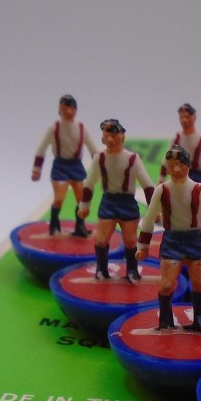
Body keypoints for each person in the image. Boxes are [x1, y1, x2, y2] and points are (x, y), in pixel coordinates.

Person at [137, 145, 201, 331]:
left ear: (188, 166)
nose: (176, 169)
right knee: (166, 285)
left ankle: (200, 318)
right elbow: (149, 218)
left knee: (198, 283)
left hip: (195, 240)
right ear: (167, 168)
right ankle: (165, 320)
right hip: (171, 241)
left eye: (180, 165)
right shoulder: (161, 190)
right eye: (171, 166)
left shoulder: (199, 189)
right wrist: (142, 246)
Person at [79, 119, 155, 283]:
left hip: (127, 203)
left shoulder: (132, 158)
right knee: (101, 239)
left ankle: (132, 270)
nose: (110, 139)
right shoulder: (99, 158)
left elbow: (148, 185)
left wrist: (154, 210)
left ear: (122, 136)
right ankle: (101, 269)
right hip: (108, 202)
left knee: (130, 240)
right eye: (106, 135)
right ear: (102, 138)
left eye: (114, 135)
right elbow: (89, 183)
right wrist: (84, 205)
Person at [31, 94, 100, 236]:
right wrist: (36, 170)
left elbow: (94, 150)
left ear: (76, 110)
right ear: (59, 110)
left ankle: (80, 227)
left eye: (72, 108)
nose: (68, 111)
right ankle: (54, 225)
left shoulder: (82, 128)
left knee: (82, 199)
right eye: (65, 108)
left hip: (76, 166)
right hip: (60, 167)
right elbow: (41, 149)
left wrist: (101, 169)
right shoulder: (54, 128)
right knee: (58, 199)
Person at [158, 103, 201, 187]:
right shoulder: (176, 138)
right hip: (178, 176)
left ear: (194, 117)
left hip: (197, 177)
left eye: (187, 116)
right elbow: (165, 162)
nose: (184, 120)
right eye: (182, 117)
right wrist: (161, 181)